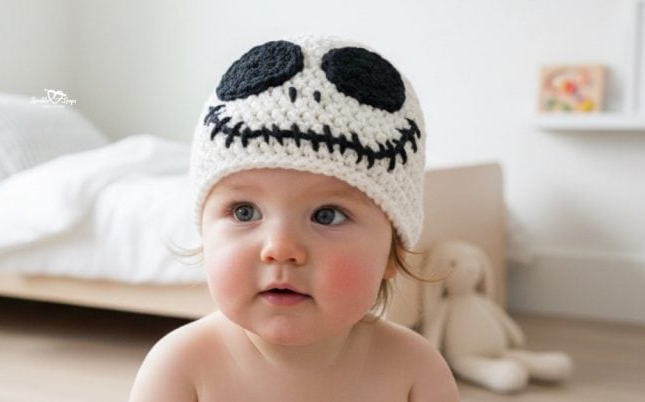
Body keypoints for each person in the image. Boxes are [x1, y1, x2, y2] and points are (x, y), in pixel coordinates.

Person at [130, 35, 460, 402]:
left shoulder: (413, 369)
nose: (280, 248)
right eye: (244, 212)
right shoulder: (180, 367)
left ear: (391, 252)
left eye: (327, 216)